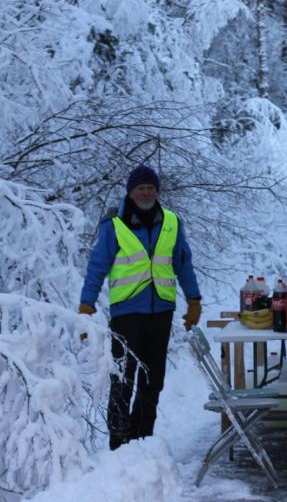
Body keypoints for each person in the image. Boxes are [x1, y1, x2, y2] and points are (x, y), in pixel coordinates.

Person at [79, 164, 203, 451]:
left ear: (156, 191)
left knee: (153, 379)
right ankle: (118, 441)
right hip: (127, 314)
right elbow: (97, 266)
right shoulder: (114, 225)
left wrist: (194, 300)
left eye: (150, 187)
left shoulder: (172, 222)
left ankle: (143, 438)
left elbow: (183, 264)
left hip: (161, 312)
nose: (146, 192)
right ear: (131, 192)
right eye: (140, 188)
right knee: (123, 378)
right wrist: (86, 305)